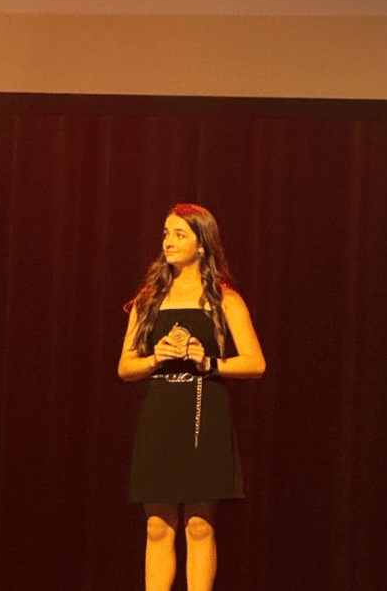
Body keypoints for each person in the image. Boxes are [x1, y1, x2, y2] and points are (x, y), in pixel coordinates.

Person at [119, 204, 266, 591]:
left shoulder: (224, 299)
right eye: (166, 233)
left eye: (180, 234)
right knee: (157, 524)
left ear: (202, 245)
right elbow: (124, 367)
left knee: (199, 525)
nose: (169, 241)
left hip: (205, 409)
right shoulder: (149, 299)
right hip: (161, 410)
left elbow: (255, 363)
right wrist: (155, 358)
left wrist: (209, 361)